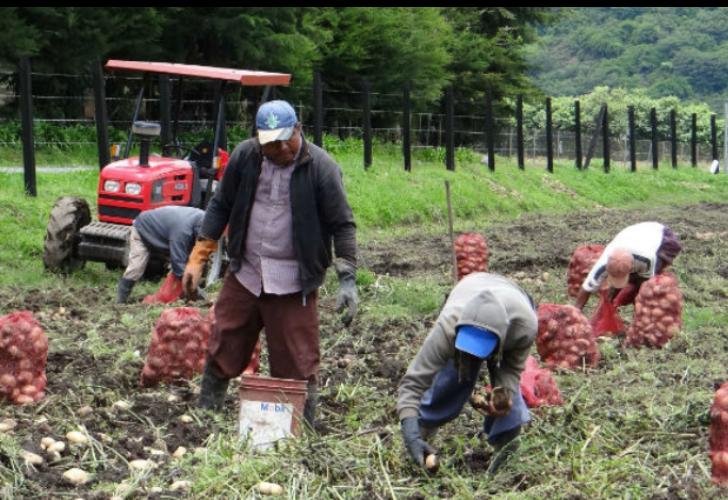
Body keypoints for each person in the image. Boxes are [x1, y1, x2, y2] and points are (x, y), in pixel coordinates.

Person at [182, 100, 358, 427]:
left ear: (298, 130)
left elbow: (342, 224)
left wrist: (347, 278)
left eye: (285, 139)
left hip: (294, 280)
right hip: (247, 272)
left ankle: (300, 431)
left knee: (298, 361)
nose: (279, 148)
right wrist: (199, 255)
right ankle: (207, 416)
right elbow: (221, 205)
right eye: (270, 143)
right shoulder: (245, 157)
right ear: (259, 139)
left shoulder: (321, 167)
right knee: (225, 343)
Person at [397, 272, 537, 475]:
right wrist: (410, 431)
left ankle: (506, 457)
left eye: (481, 348)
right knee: (451, 382)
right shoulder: (448, 328)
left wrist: (503, 392)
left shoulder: (524, 328)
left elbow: (512, 369)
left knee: (508, 401)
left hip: (513, 301)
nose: (474, 355)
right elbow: (413, 382)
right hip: (469, 287)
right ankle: (421, 434)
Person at [575, 221, 682, 310]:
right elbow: (587, 287)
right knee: (617, 292)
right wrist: (576, 313)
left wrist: (641, 310)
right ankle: (611, 303)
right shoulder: (604, 262)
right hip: (631, 236)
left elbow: (646, 284)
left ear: (631, 267)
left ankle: (635, 306)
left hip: (660, 236)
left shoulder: (647, 259)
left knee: (641, 286)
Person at [116, 205, 205, 304]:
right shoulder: (182, 232)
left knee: (186, 262)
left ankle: (180, 295)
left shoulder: (205, 219)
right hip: (143, 229)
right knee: (136, 267)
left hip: (163, 232)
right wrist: (195, 289)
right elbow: (178, 264)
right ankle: (120, 300)